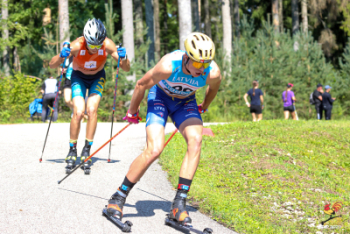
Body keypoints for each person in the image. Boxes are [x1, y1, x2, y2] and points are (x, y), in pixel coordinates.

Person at [105, 32, 221, 225]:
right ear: (186, 58)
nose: (203, 69)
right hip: (160, 98)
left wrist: (205, 105)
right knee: (154, 149)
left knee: (196, 140)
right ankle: (117, 198)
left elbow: (214, 87)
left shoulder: (212, 71)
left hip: (185, 103)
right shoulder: (168, 66)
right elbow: (141, 85)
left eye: (206, 63)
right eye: (198, 64)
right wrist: (133, 111)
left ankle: (179, 204)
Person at [49, 18, 130, 174]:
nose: (95, 48)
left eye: (98, 45)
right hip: (78, 76)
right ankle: (72, 149)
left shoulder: (107, 44)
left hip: (97, 77)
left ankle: (87, 149)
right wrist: (60, 56)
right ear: (85, 39)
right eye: (92, 45)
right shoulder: (77, 45)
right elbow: (52, 64)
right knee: (79, 112)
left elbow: (125, 68)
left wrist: (124, 58)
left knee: (92, 110)